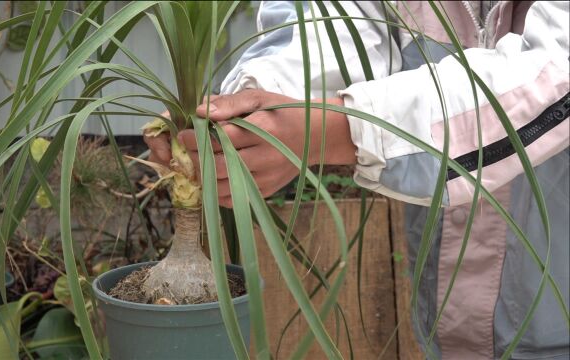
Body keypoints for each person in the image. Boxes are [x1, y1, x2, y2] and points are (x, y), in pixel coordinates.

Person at [145, 1, 569, 359]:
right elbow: (333, 19)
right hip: (448, 320)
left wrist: (342, 129)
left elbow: (555, 71)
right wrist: (251, 107)